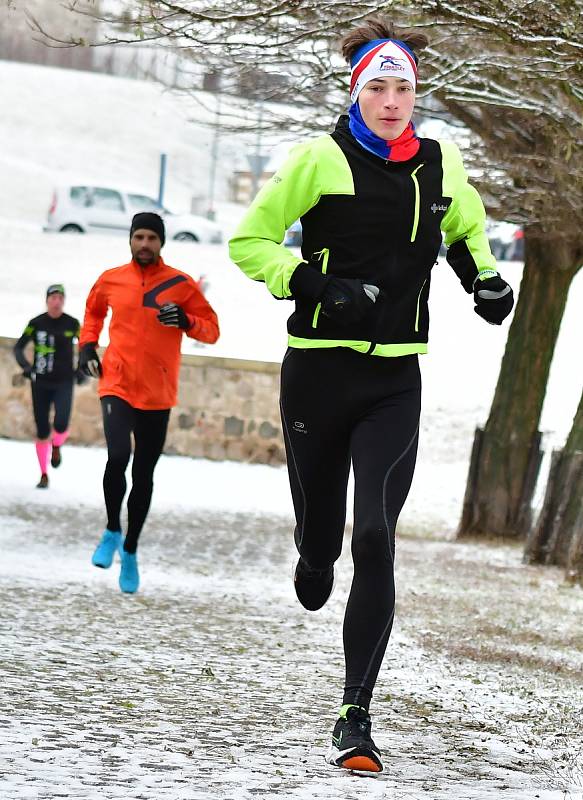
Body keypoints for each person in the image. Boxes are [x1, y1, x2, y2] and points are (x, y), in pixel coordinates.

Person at [229, 17, 514, 774]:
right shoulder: (316, 159)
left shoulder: (439, 161)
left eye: (403, 88)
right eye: (377, 87)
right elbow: (248, 242)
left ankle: (354, 713)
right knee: (324, 538)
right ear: (356, 90)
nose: (391, 102)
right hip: (318, 373)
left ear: (417, 93)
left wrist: (482, 281)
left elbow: (462, 232)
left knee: (376, 536)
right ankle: (310, 553)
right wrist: (316, 285)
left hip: (395, 378)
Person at [79, 212, 220, 594]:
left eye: (151, 238)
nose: (144, 244)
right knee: (118, 456)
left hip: (158, 391)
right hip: (117, 383)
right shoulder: (111, 279)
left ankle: (131, 548)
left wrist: (187, 320)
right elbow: (93, 312)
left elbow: (212, 330)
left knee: (143, 474)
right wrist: (87, 346)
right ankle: (111, 529)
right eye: (138, 237)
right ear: (129, 239)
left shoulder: (180, 283)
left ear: (161, 243)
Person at [14, 284, 84, 489]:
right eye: (53, 298)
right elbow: (19, 347)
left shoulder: (72, 323)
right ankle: (44, 474)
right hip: (41, 382)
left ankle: (57, 445)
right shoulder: (36, 323)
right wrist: (26, 367)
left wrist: (81, 370)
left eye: (60, 298)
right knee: (42, 429)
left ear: (64, 301)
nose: (57, 301)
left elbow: (85, 347)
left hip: (64, 382)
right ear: (47, 300)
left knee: (61, 424)